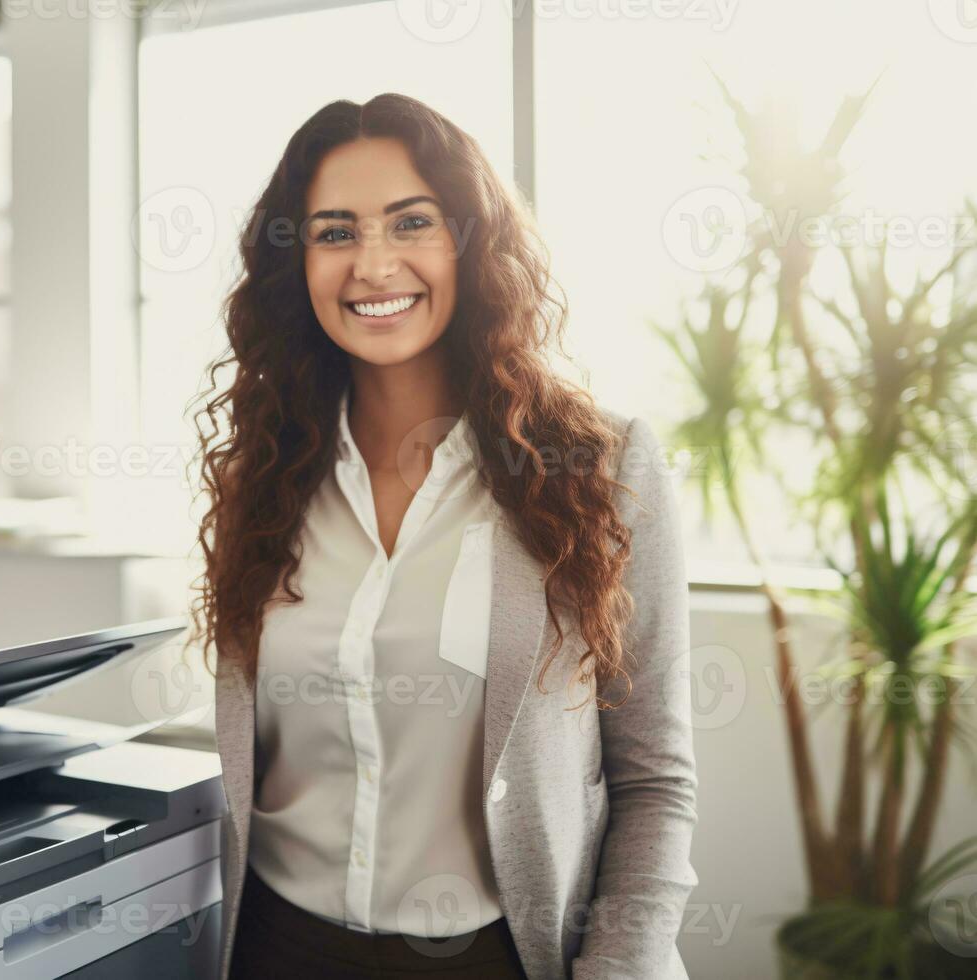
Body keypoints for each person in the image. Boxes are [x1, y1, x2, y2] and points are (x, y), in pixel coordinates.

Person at [187, 93, 699, 979]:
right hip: (275, 948)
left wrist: (620, 969)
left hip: (495, 957)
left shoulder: (600, 470)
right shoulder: (259, 480)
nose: (373, 265)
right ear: (296, 263)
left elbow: (655, 780)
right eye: (335, 232)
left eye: (411, 223)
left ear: (469, 242)